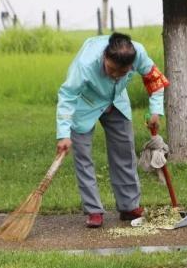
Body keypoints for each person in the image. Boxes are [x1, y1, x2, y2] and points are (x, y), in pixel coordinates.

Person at [56, 32, 169, 228]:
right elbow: (67, 96)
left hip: (117, 101)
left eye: (122, 72)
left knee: (125, 153)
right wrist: (64, 134)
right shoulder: (85, 64)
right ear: (104, 57)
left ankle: (128, 206)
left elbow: (155, 79)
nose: (115, 75)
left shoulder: (138, 53)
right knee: (83, 157)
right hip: (85, 104)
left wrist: (156, 112)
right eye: (111, 69)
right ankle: (93, 210)